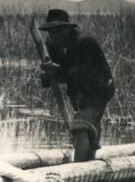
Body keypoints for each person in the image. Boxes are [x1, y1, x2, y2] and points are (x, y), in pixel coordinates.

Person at [38, 9, 114, 162]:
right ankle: (89, 166)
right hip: (77, 93)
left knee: (80, 126)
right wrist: (47, 75)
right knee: (89, 128)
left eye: (59, 31)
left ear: (69, 29)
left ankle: (77, 170)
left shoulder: (86, 42)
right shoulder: (52, 45)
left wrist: (57, 70)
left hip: (98, 90)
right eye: (52, 33)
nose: (55, 36)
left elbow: (81, 74)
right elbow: (57, 74)